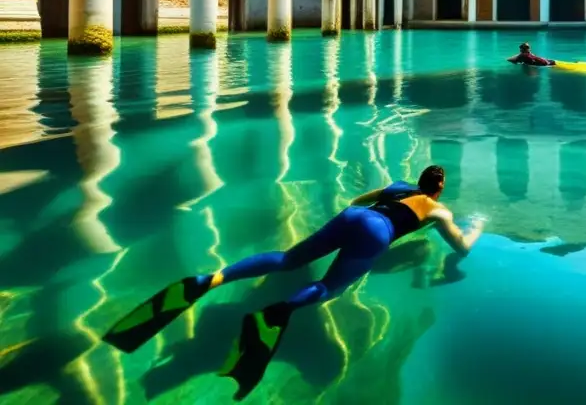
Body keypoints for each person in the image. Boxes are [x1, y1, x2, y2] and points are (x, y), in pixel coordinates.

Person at [103, 166, 483, 400]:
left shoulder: (397, 185)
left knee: (288, 260)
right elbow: (461, 249)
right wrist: (476, 228)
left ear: (419, 180)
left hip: (355, 217)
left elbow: (355, 199)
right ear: (440, 188)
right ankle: (280, 311)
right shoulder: (439, 210)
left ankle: (212, 279)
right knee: (330, 287)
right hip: (377, 233)